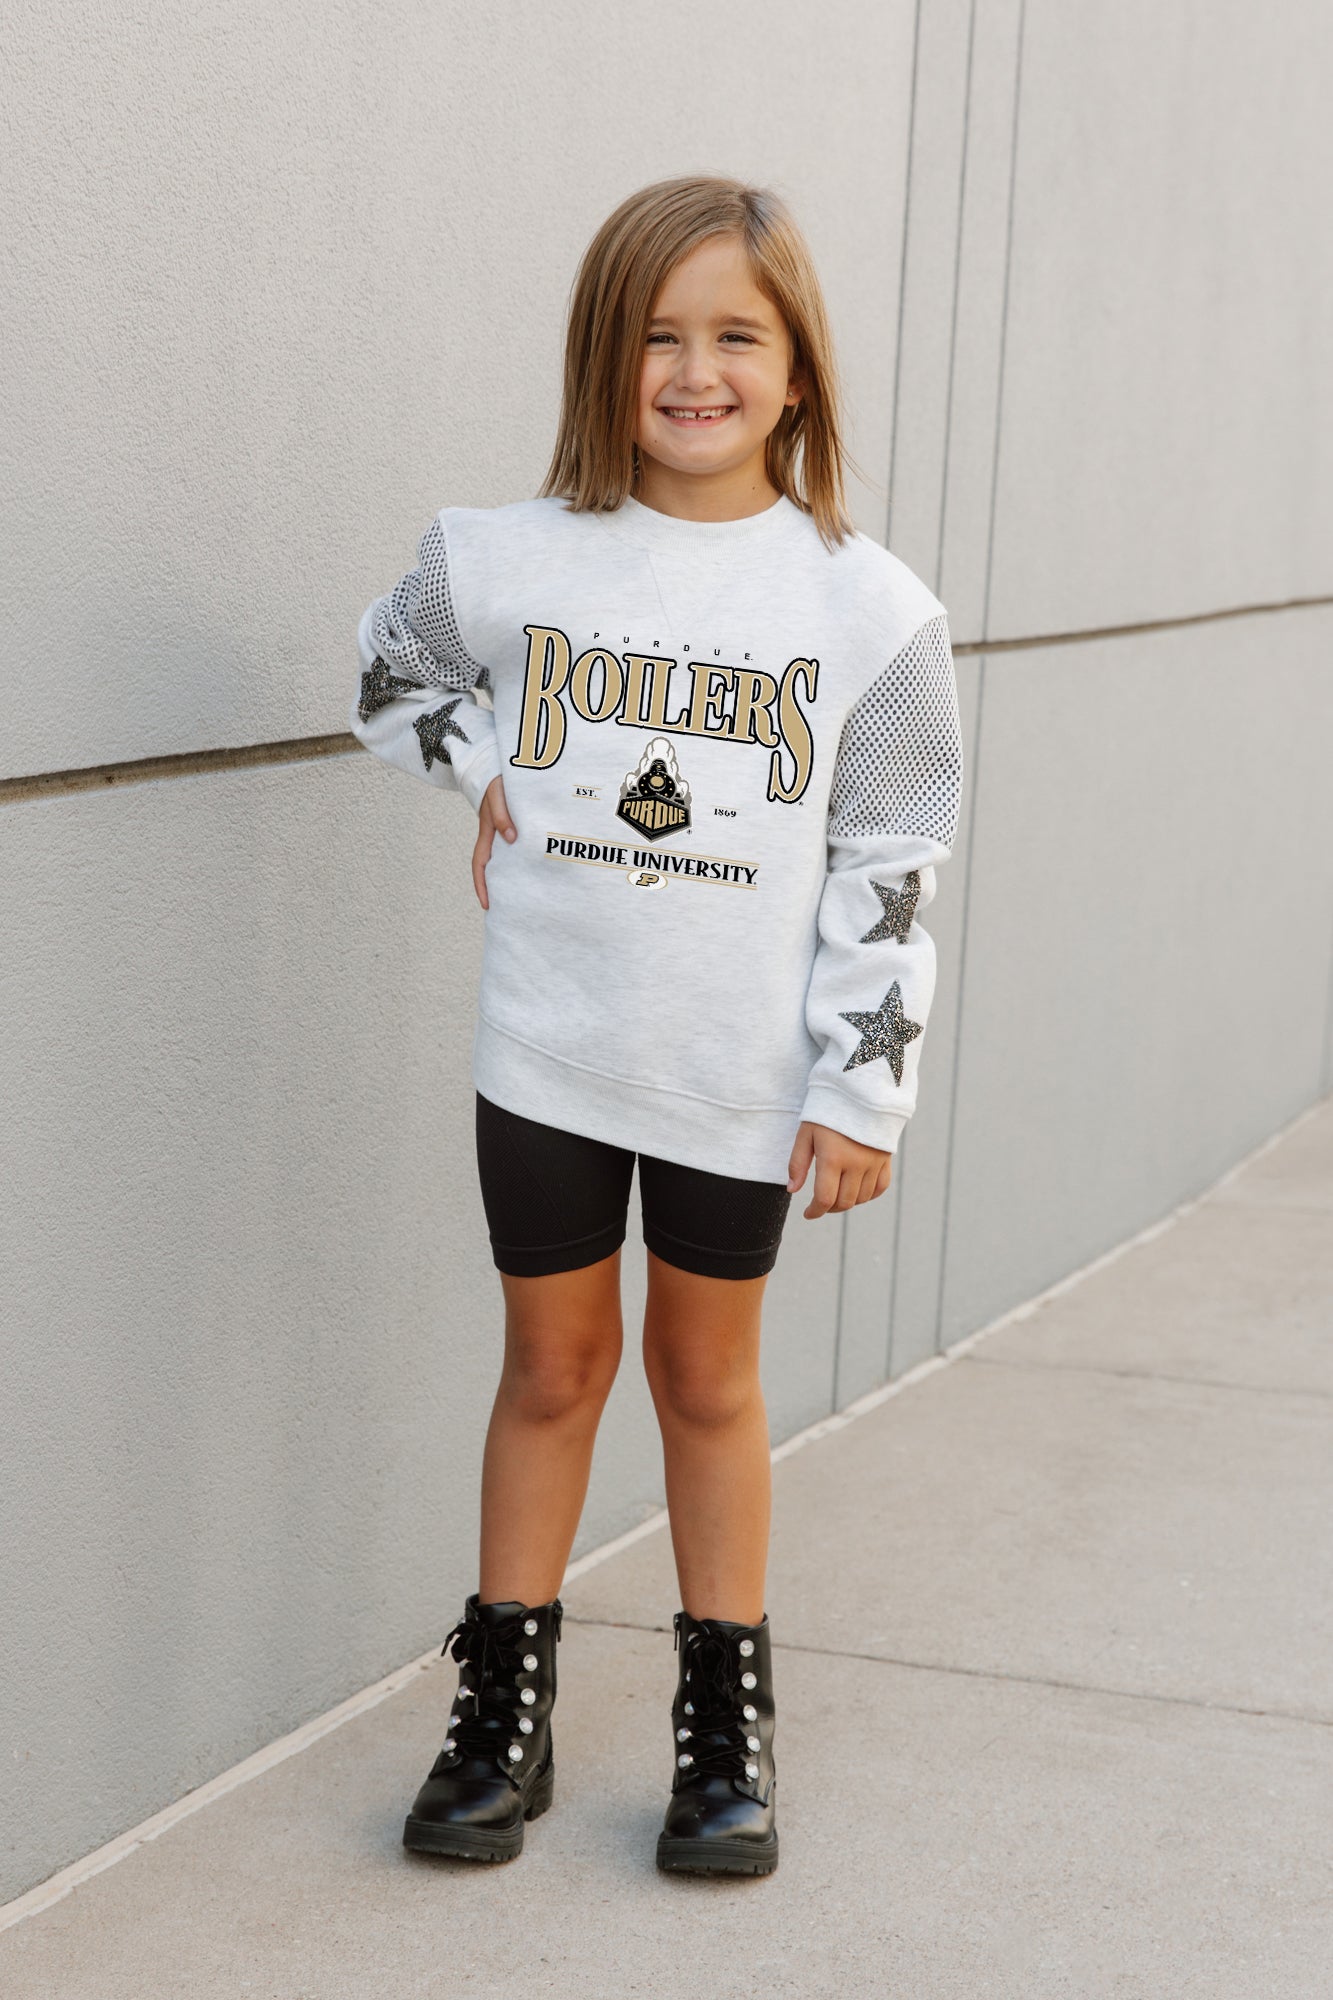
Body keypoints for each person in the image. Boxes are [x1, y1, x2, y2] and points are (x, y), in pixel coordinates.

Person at [349, 173, 964, 1878]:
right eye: (656, 337)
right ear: (600, 358)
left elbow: (889, 863)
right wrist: (481, 768)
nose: (694, 373)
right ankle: (504, 1716)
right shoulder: (503, 556)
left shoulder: (868, 612)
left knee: (705, 1381)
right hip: (547, 1046)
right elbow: (388, 675)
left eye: (735, 337)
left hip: (735, 1075)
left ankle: (723, 1724)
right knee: (551, 1369)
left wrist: (862, 1090)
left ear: (797, 369)